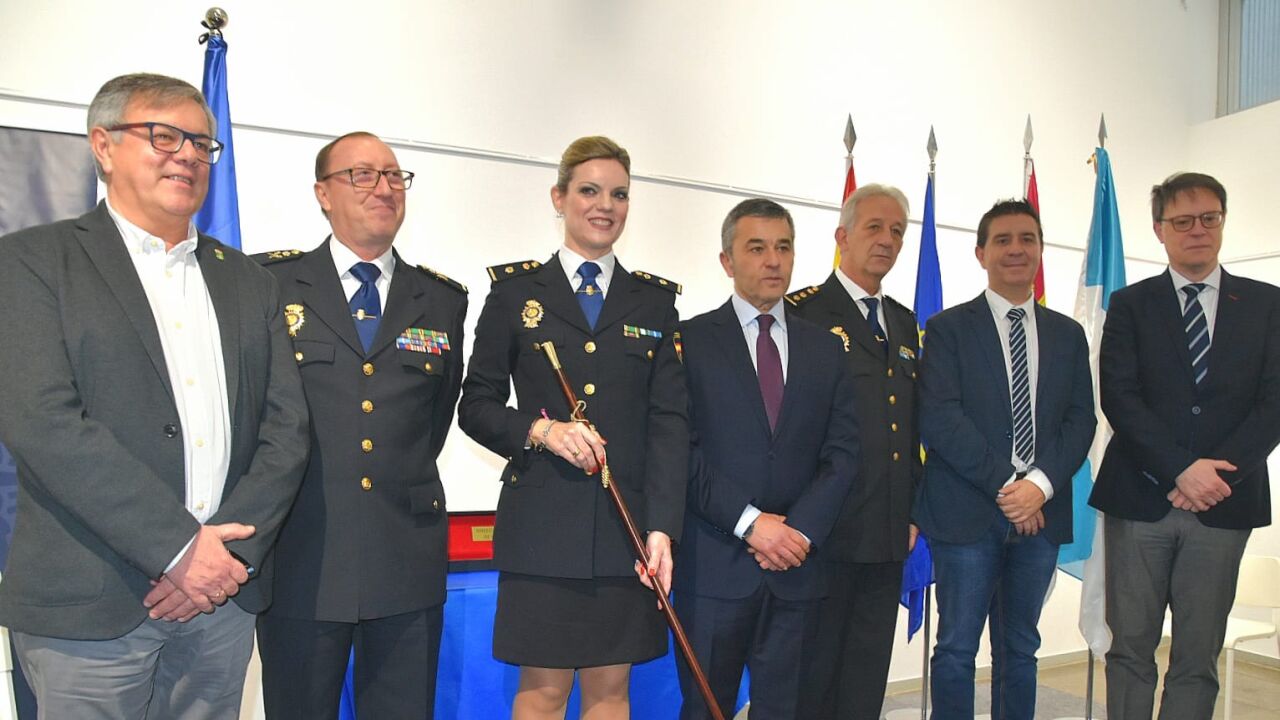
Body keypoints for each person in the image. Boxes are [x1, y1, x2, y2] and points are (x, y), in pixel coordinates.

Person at [0, 72, 309, 719]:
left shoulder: (250, 281)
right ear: (104, 146)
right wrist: (179, 548)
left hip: (221, 599)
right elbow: (44, 423)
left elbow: (286, 431)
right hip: (90, 602)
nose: (188, 155)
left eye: (201, 143)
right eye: (163, 136)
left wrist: (225, 558)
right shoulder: (31, 261)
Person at [457, 135, 687, 720]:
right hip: (542, 527)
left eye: (619, 194)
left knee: (611, 692)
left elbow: (669, 425)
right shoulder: (515, 295)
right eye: (589, 190)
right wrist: (542, 432)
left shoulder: (654, 303)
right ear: (558, 198)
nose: (605, 205)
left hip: (624, 526)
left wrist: (662, 528)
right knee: (543, 693)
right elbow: (476, 405)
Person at [253, 131, 468, 719]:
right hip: (303, 554)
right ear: (323, 193)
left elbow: (432, 421)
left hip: (405, 557)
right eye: (363, 175)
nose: (385, 188)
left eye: (395, 176)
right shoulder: (271, 283)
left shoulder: (442, 300)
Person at [1089, 172, 1280, 720]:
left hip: (1224, 503)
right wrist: (1179, 470)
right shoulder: (1130, 304)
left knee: (1198, 656)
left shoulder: (1267, 304)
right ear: (1160, 229)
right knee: (1130, 651)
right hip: (1139, 499)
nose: (1197, 230)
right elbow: (1119, 396)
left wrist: (1215, 478)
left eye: (1208, 218)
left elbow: (1273, 402)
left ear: (1222, 222)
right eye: (1182, 221)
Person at [674, 198, 859, 720]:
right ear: (727, 261)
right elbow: (680, 450)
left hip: (798, 568)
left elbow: (844, 452)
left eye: (783, 247)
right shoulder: (689, 342)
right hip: (715, 570)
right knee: (705, 710)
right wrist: (752, 525)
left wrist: (798, 532)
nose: (773, 261)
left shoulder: (826, 349)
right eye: (756, 248)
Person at [913, 199, 1095, 720]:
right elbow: (941, 419)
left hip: (1042, 517)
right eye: (1003, 240)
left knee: (1020, 649)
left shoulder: (1067, 334)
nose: (1016, 249)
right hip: (966, 514)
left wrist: (1040, 486)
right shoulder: (946, 329)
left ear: (1040, 250)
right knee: (956, 649)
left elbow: (1080, 421)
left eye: (1027, 239)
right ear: (981, 253)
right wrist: (1013, 485)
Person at [789, 184, 920, 720]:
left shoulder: (905, 323)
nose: (886, 240)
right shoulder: (804, 314)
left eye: (897, 231)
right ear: (842, 236)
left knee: (866, 680)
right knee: (814, 678)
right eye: (874, 227)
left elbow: (911, 428)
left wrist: (913, 512)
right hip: (824, 532)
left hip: (886, 532)